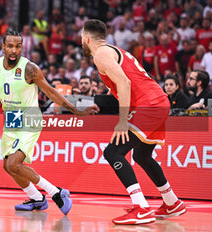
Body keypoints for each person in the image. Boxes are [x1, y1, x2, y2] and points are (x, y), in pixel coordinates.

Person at [0, 30, 98, 215]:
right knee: (8, 166)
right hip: (10, 119)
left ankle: (57, 193)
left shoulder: (30, 68)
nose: (14, 50)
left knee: (13, 164)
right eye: (10, 46)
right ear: (3, 47)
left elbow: (51, 92)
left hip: (29, 117)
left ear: (22, 47)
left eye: (18, 46)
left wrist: (76, 111)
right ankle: (37, 198)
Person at [81, 19, 186, 225]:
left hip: (148, 105)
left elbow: (124, 82)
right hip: (157, 101)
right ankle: (172, 202)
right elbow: (124, 86)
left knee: (112, 152)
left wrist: (122, 121)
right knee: (142, 155)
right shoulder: (113, 51)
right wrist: (101, 104)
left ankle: (141, 207)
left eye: (81, 40)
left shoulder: (101, 53)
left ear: (86, 39)